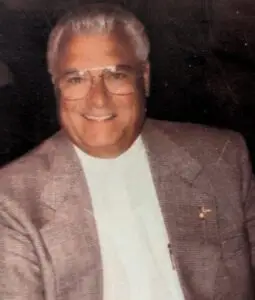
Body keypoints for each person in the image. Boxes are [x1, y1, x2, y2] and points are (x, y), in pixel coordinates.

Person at [0, 4, 254, 300]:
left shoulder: (221, 158)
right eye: (76, 79)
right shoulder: (14, 198)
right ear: (57, 88)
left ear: (144, 79)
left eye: (115, 75)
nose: (98, 100)